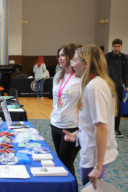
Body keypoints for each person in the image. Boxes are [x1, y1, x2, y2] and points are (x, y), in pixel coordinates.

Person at [64, 45, 118, 189]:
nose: (72, 64)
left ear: (86, 63)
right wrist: (77, 134)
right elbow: (91, 120)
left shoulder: (95, 86)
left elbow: (101, 127)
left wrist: (98, 166)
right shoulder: (93, 83)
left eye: (75, 61)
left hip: (95, 156)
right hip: (91, 150)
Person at [50, 44, 81, 179]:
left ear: (72, 57)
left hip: (71, 127)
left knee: (65, 164)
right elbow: (56, 101)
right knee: (62, 163)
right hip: (56, 124)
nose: (59, 58)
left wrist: (81, 129)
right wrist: (53, 121)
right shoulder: (57, 76)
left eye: (63, 55)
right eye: (59, 56)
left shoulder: (80, 78)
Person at [105, 38, 128, 138]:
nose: (116, 48)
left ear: (121, 46)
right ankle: (106, 127)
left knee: (117, 108)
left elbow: (126, 72)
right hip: (107, 85)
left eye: (118, 46)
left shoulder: (124, 57)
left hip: (119, 85)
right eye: (115, 46)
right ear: (112, 46)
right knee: (106, 106)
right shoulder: (107, 56)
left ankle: (116, 129)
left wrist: (126, 85)